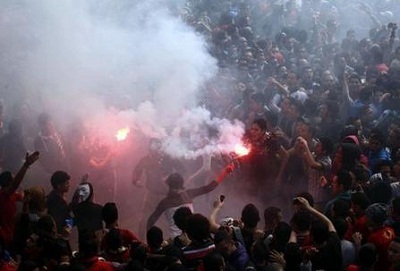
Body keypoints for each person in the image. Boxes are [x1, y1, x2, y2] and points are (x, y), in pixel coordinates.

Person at [146, 163, 234, 238]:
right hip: (193, 236)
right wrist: (224, 172)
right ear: (181, 185)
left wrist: (153, 242)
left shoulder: (164, 203)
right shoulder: (187, 195)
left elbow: (150, 221)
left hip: (177, 240)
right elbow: (209, 187)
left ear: (169, 185)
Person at [132, 138, 186, 239]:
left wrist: (173, 178)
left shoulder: (169, 158)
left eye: (159, 148)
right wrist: (136, 181)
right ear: (150, 149)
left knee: (172, 219)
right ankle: (141, 242)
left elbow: (182, 170)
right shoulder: (146, 160)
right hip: (151, 194)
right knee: (144, 219)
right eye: (154, 149)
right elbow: (137, 171)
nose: (157, 152)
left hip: (168, 195)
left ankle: (177, 241)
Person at [0, 151, 39, 250]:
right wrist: (26, 165)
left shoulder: (13, 195)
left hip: (11, 234)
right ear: (8, 183)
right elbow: (15, 184)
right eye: (12, 180)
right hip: (3, 237)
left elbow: (22, 197)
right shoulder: (3, 195)